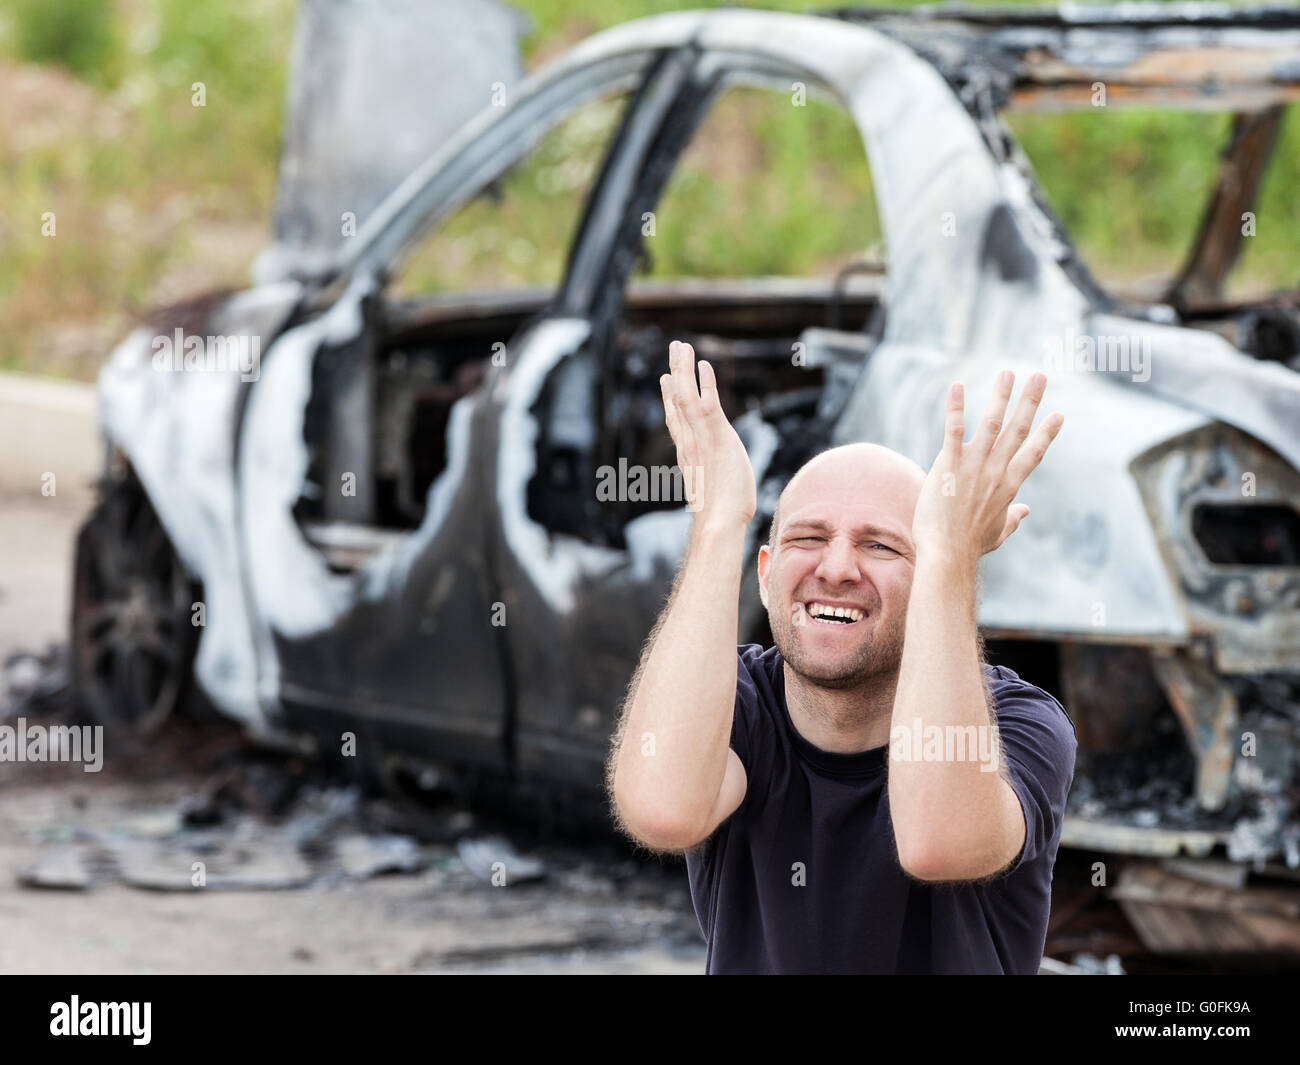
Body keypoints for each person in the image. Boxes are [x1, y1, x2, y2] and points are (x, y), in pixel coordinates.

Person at [607, 340, 1077, 974]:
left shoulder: (1019, 724)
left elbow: (937, 843)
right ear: (767, 576)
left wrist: (950, 557)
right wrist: (720, 520)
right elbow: (663, 811)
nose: (835, 568)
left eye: (882, 547)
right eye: (807, 538)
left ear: (934, 575)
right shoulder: (739, 705)